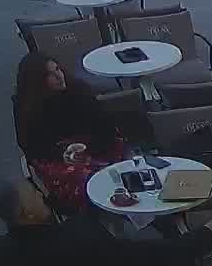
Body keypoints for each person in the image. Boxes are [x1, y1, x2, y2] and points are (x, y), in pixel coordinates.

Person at [0, 178, 212, 266]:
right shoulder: (85, 244)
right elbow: (155, 256)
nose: (40, 195)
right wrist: (207, 233)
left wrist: (97, 208)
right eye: (33, 195)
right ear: (26, 214)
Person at [13, 53, 128, 213]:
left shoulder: (79, 91)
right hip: (55, 156)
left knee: (122, 172)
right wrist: (62, 153)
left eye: (58, 69)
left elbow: (104, 126)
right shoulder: (27, 107)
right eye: (50, 75)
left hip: (93, 145)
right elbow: (30, 145)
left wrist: (88, 147)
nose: (59, 76)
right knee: (85, 181)